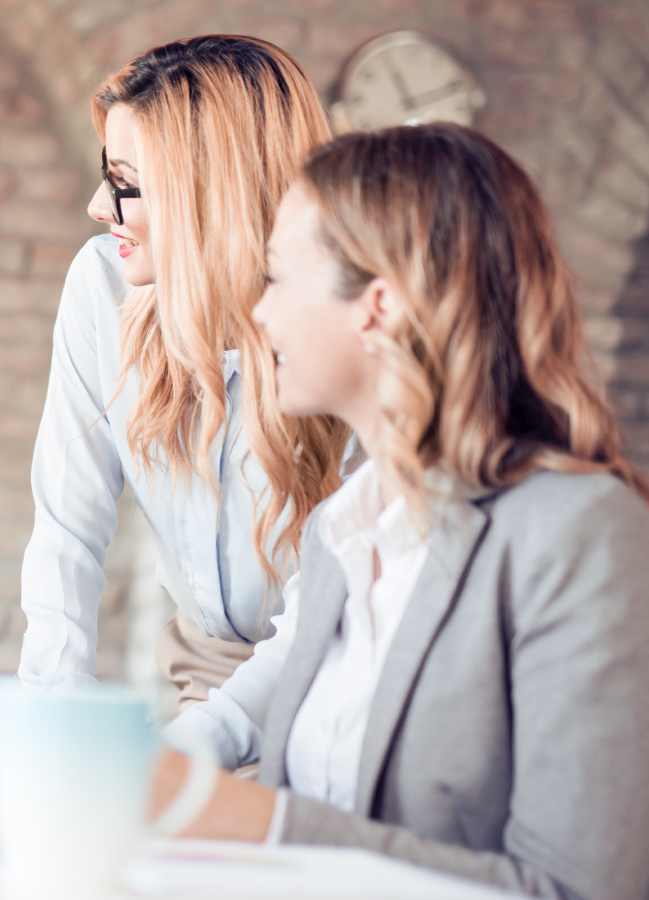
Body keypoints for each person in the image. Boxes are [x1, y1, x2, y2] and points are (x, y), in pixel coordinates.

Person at [151, 123, 649, 900]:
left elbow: (577, 889)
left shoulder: (577, 533)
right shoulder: (336, 534)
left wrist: (269, 829)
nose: (259, 313)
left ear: (376, 307)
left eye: (278, 278)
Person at [18, 35, 350, 703]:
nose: (97, 206)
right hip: (201, 677)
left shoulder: (343, 328)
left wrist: (198, 751)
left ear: (212, 196)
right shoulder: (102, 286)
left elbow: (325, 616)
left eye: (127, 186)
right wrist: (51, 718)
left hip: (336, 689)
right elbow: (67, 526)